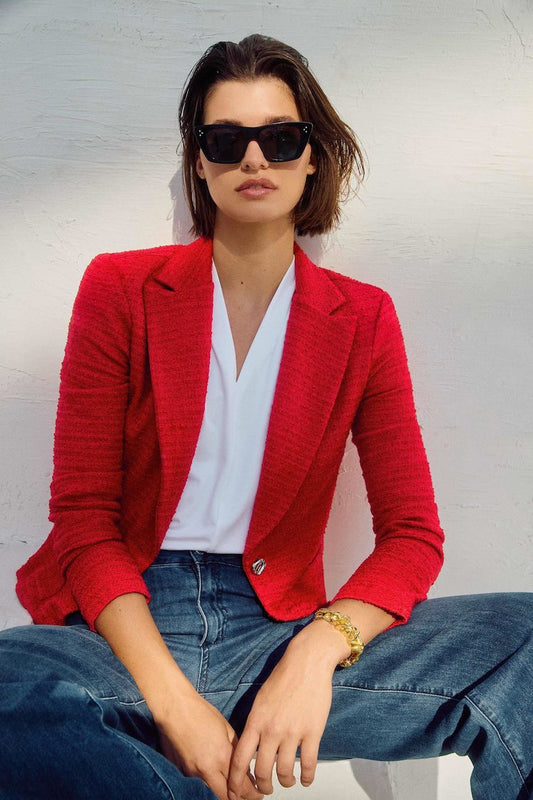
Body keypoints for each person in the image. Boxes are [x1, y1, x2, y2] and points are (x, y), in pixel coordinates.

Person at [0, 33, 531, 800]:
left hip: (274, 636)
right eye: (226, 140)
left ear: (311, 157)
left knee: (524, 642)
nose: (254, 160)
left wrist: (315, 653)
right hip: (122, 635)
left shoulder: (360, 318)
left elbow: (411, 534)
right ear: (199, 161)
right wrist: (174, 704)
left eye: (280, 139)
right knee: (11, 689)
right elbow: (83, 520)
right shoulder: (120, 290)